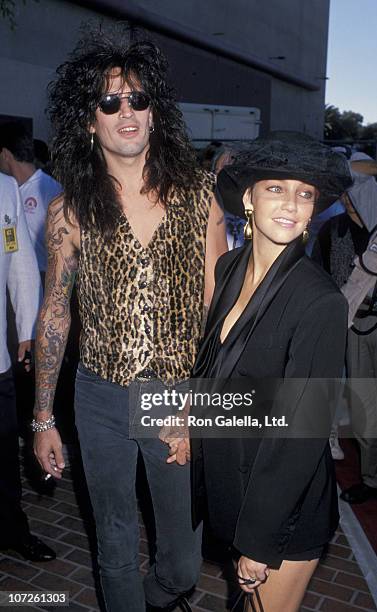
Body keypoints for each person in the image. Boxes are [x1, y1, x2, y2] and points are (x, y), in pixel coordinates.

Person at [33, 28, 226, 612]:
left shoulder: (199, 196)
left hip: (176, 398)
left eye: (138, 99)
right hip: (99, 399)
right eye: (110, 102)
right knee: (113, 539)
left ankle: (159, 598)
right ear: (89, 121)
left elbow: (221, 310)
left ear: (155, 112)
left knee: (182, 560)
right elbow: (55, 312)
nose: (126, 112)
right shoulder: (68, 211)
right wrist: (43, 416)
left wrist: (199, 404)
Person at [182, 133, 352, 611]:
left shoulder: (320, 301)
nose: (291, 204)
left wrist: (259, 540)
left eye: (304, 193)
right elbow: (215, 362)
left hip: (281, 508)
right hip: (234, 487)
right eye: (276, 188)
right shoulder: (231, 265)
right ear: (249, 200)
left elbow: (304, 432)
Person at [314, 160, 377, 504]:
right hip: (354, 327)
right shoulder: (332, 230)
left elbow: (363, 166)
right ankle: (372, 479)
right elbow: (318, 277)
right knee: (366, 403)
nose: (349, 199)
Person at [0, 172, 55, 562]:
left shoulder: (5, 188)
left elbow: (17, 258)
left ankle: (11, 530)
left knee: (3, 453)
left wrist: (27, 330)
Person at [0, 122, 62, 279]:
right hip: (10, 277)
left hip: (43, 278)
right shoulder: (7, 190)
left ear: (5, 155)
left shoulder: (51, 190)